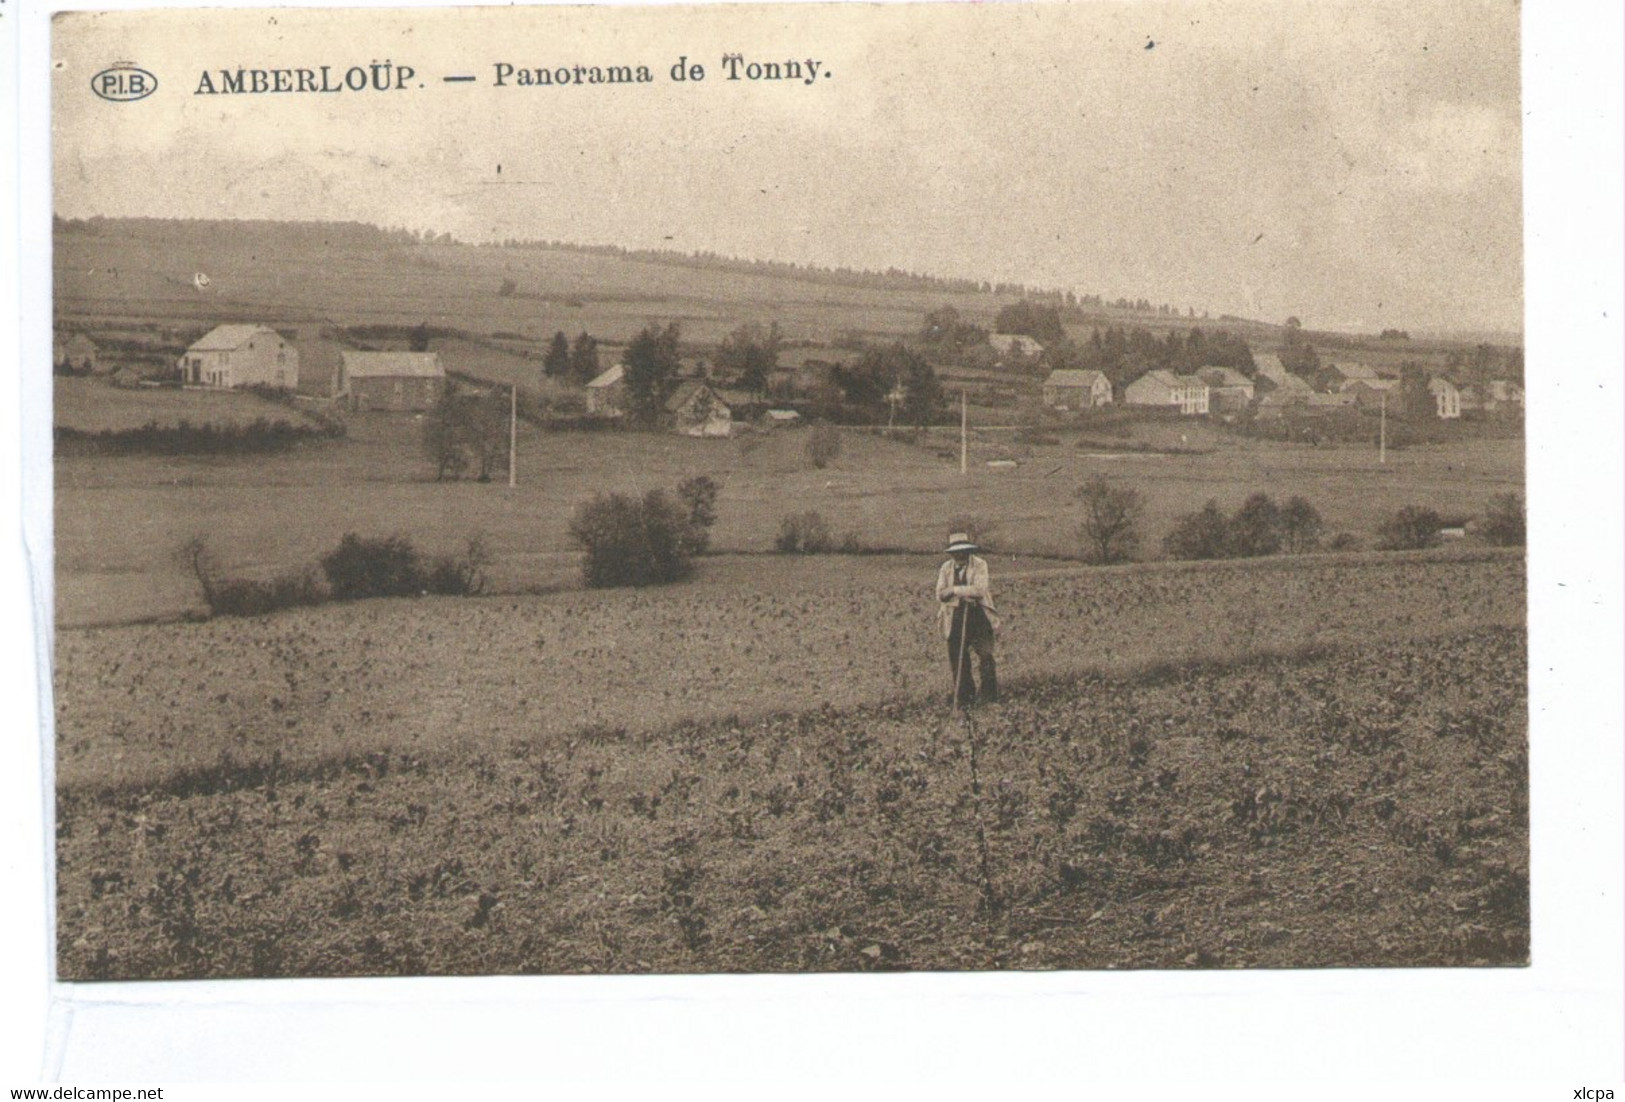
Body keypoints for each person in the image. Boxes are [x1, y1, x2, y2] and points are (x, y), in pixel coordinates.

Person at [936, 532, 999, 706]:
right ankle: (964, 697)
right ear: (951, 553)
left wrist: (954, 590)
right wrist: (961, 592)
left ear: (968, 551)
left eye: (963, 551)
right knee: (958, 659)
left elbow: (979, 590)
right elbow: (940, 594)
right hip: (954, 617)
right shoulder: (946, 568)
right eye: (956, 552)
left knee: (985, 655)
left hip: (978, 616)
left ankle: (989, 696)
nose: (960, 555)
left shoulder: (980, 565)